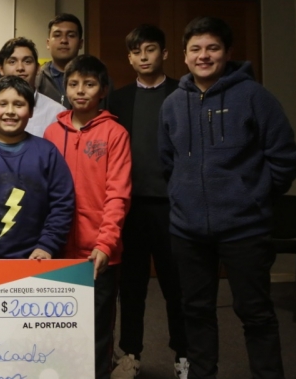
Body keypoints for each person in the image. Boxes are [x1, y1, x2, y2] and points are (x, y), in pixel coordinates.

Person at [159, 17, 296, 379]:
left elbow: (285, 157)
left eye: (213, 48)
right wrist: (182, 195)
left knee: (255, 313)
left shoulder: (254, 96)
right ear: (185, 55)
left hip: (244, 228)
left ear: (227, 53)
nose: (203, 56)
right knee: (196, 311)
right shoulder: (172, 104)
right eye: (195, 49)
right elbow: (167, 162)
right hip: (187, 230)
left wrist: (255, 195)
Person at [106, 25, 187, 379]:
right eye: (136, 51)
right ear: (129, 58)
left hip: (173, 207)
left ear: (164, 53)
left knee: (176, 286)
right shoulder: (118, 99)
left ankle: (184, 355)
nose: (143, 57)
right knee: (131, 287)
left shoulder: (182, 94)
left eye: (150, 49)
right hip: (131, 207)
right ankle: (131, 353)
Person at [43, 54, 131, 379]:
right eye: (74, 84)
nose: (80, 91)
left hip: (99, 252)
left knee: (97, 329)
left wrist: (106, 243)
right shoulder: (52, 132)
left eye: (90, 84)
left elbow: (118, 193)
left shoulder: (115, 133)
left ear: (103, 90)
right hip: (58, 248)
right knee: (58, 328)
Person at [0, 76, 74, 260]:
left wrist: (47, 245)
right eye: (2, 104)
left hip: (37, 258)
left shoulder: (47, 153)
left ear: (31, 111)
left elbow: (62, 204)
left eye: (19, 105)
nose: (10, 111)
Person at [0, 37, 65, 136]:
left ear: (38, 68)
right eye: (12, 62)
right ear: (1, 69)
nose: (20, 68)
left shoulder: (57, 113)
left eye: (27, 61)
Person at [37, 13, 83, 108]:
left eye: (71, 35)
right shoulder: (36, 79)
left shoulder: (98, 79)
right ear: (48, 43)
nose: (64, 40)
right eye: (57, 35)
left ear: (80, 43)